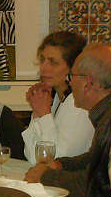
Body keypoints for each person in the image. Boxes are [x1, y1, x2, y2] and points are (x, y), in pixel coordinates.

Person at [24, 43, 111, 197]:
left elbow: (94, 185)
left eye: (72, 77)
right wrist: (61, 164)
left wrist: (46, 176)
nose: (70, 83)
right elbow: (94, 158)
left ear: (88, 83)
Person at [21, 30, 92, 163]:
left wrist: (43, 113)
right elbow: (31, 156)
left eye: (53, 62)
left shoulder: (80, 105)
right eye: (42, 60)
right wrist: (37, 112)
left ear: (73, 67)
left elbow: (57, 160)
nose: (43, 68)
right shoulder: (59, 98)